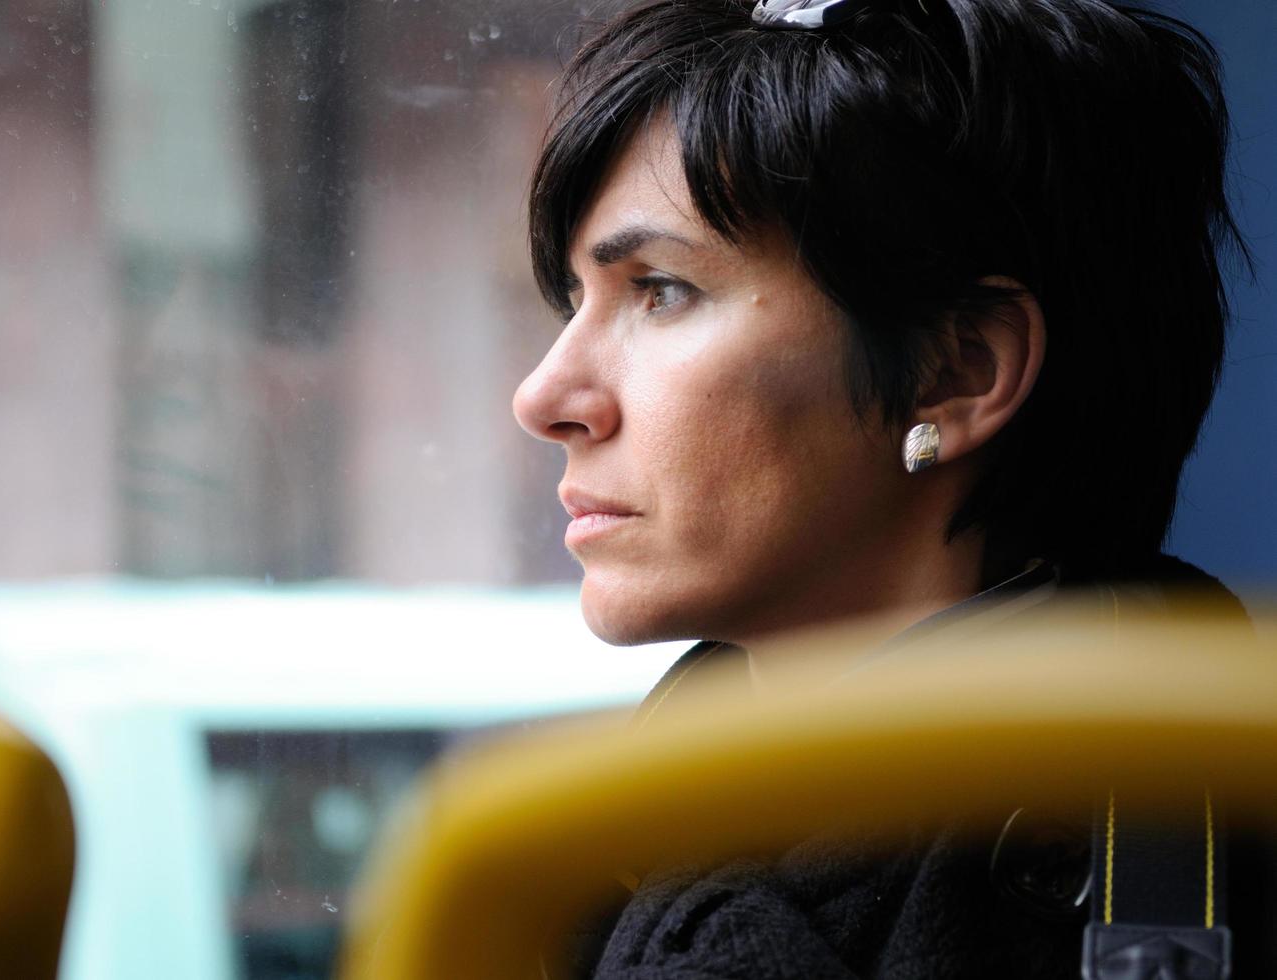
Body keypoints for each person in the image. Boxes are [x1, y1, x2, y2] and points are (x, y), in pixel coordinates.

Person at [510, 0, 1261, 976]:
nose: (544, 396)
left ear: (954, 372)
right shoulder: (631, 838)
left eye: (661, 289)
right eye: (576, 301)